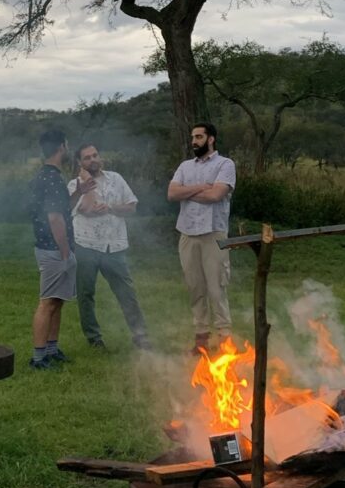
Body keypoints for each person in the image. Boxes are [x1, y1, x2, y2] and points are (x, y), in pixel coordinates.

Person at [68, 142, 151, 351]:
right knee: (86, 294)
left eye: (95, 155)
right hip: (86, 245)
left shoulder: (116, 179)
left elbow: (131, 207)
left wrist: (111, 207)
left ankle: (140, 336)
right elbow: (87, 209)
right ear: (80, 162)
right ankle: (94, 339)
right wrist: (87, 184)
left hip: (114, 246)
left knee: (126, 293)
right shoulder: (74, 186)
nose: (93, 160)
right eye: (87, 157)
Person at [167, 122, 237, 353]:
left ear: (211, 139)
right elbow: (172, 193)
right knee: (195, 288)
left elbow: (216, 195)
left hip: (214, 235)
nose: (194, 141)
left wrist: (188, 193)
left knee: (216, 288)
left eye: (199, 136)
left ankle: (225, 340)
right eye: (193, 137)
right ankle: (201, 340)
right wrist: (200, 188)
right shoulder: (185, 166)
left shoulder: (225, 164)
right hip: (187, 234)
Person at [26, 128, 77, 370]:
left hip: (48, 247)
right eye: (66, 144)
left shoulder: (44, 176)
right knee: (47, 302)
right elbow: (55, 218)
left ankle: (52, 349)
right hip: (53, 249)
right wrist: (65, 252)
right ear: (61, 147)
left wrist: (78, 193)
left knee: (57, 300)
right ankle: (38, 358)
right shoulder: (53, 179)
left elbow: (61, 207)